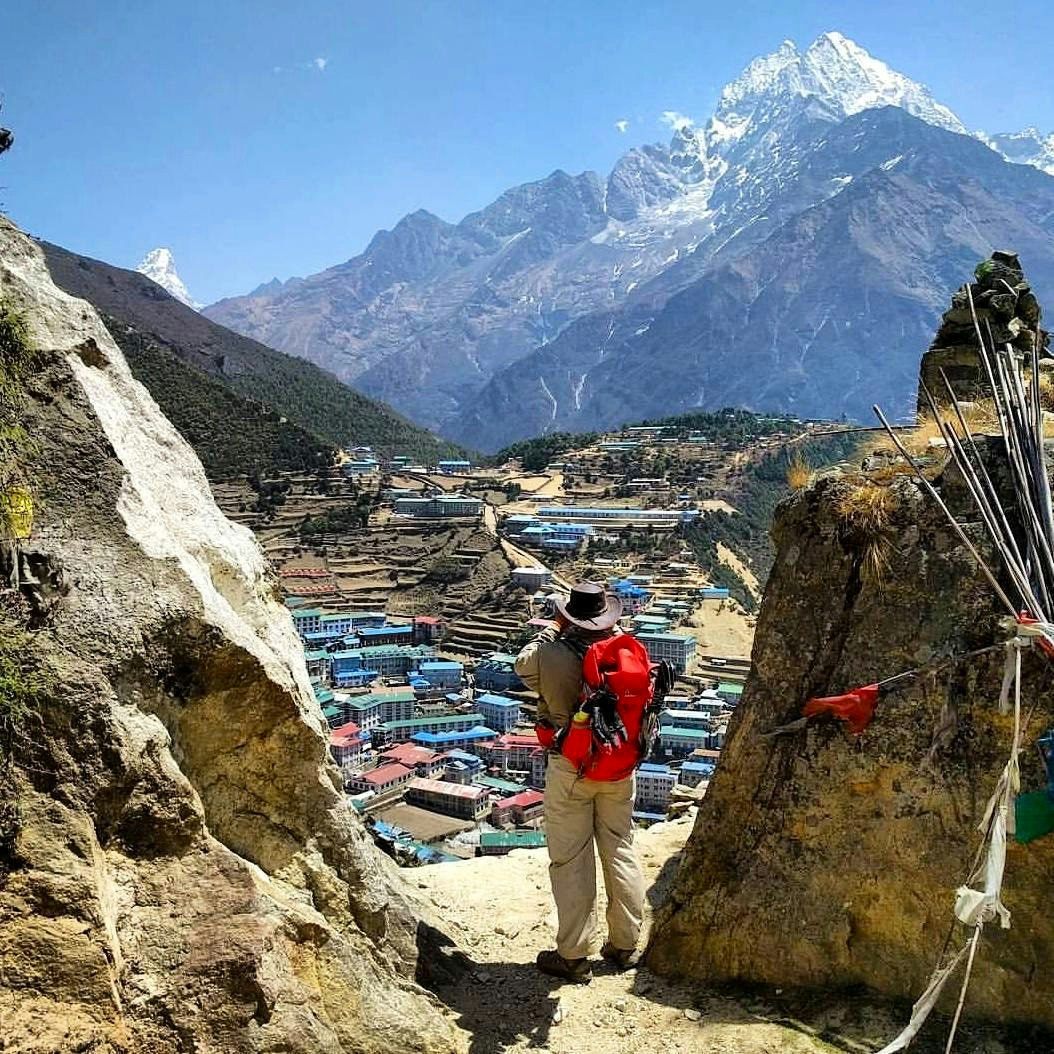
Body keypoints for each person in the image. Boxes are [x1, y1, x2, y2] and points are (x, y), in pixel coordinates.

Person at [514, 581, 646, 984]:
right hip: (620, 764)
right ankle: (625, 945)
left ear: (568, 615)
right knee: (619, 848)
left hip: (571, 764)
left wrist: (552, 627)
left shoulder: (550, 654)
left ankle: (573, 955)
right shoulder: (625, 649)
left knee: (571, 858)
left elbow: (522, 666)